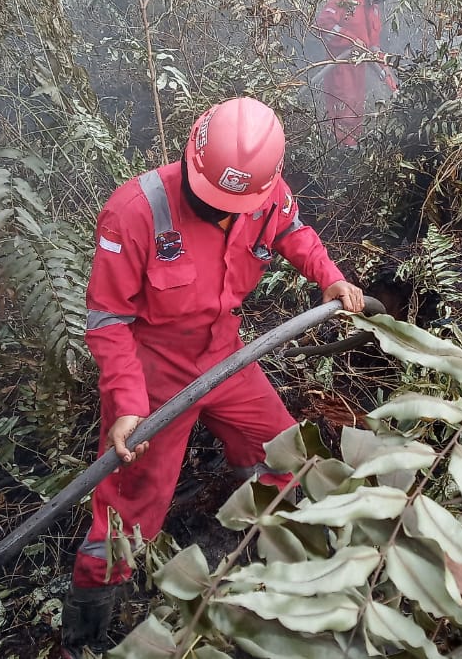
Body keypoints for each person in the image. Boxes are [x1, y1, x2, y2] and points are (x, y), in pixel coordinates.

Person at [60, 97, 364, 659]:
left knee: (288, 454)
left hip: (226, 358)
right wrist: (127, 403)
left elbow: (294, 230)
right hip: (153, 377)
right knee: (129, 514)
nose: (219, 210)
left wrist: (331, 278)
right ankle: (83, 635)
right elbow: (108, 321)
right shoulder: (134, 211)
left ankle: (259, 542)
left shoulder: (265, 191)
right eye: (209, 198)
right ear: (191, 157)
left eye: (232, 203)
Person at [315, 0, 402, 147]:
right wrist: (351, 41)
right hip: (339, 69)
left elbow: (373, 49)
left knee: (356, 114)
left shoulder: (374, 11)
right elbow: (324, 25)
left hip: (358, 72)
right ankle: (339, 155)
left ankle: (351, 155)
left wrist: (392, 85)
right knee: (342, 115)